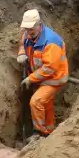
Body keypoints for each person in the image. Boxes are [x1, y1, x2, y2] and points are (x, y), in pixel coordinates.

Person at [17, 9, 69, 141]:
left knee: (36, 102)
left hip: (53, 79)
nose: (28, 32)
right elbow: (23, 40)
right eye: (26, 29)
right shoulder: (29, 33)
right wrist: (22, 52)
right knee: (46, 104)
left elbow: (49, 68)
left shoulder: (51, 42)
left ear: (39, 24)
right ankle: (50, 130)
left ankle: (40, 133)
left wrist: (30, 78)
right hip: (40, 78)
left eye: (31, 29)